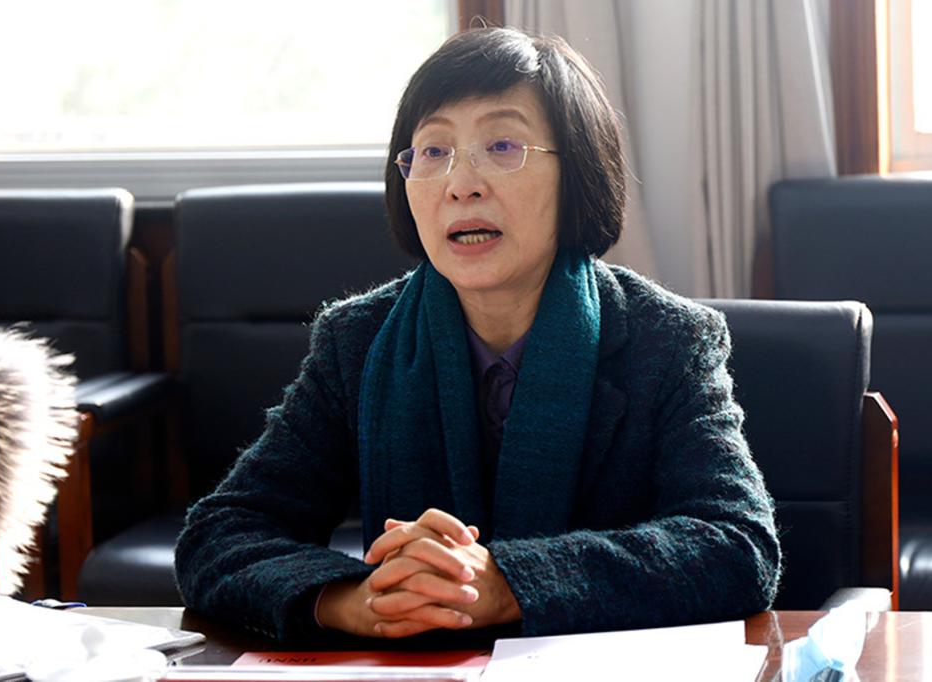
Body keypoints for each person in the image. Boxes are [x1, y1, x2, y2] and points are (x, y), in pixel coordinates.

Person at [175, 27, 781, 644]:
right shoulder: (355, 341)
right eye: (434, 151)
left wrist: (508, 583)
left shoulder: (669, 341)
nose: (461, 183)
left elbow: (737, 543)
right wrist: (353, 600)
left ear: (577, 172)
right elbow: (220, 533)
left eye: (501, 145)